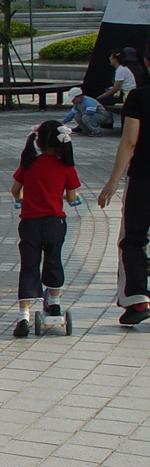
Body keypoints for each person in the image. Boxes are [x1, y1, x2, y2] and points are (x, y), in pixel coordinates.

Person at [10, 121, 81, 338]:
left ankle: (24, 315)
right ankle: (56, 303)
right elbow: (71, 197)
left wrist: (22, 199)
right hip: (54, 223)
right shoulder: (66, 167)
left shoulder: (29, 164)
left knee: (29, 266)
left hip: (30, 224)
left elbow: (15, 190)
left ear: (38, 142)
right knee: (53, 260)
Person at [98, 45, 150, 326]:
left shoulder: (138, 98)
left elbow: (129, 141)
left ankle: (138, 300)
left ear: (146, 62)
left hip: (143, 178)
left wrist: (114, 180)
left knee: (133, 238)